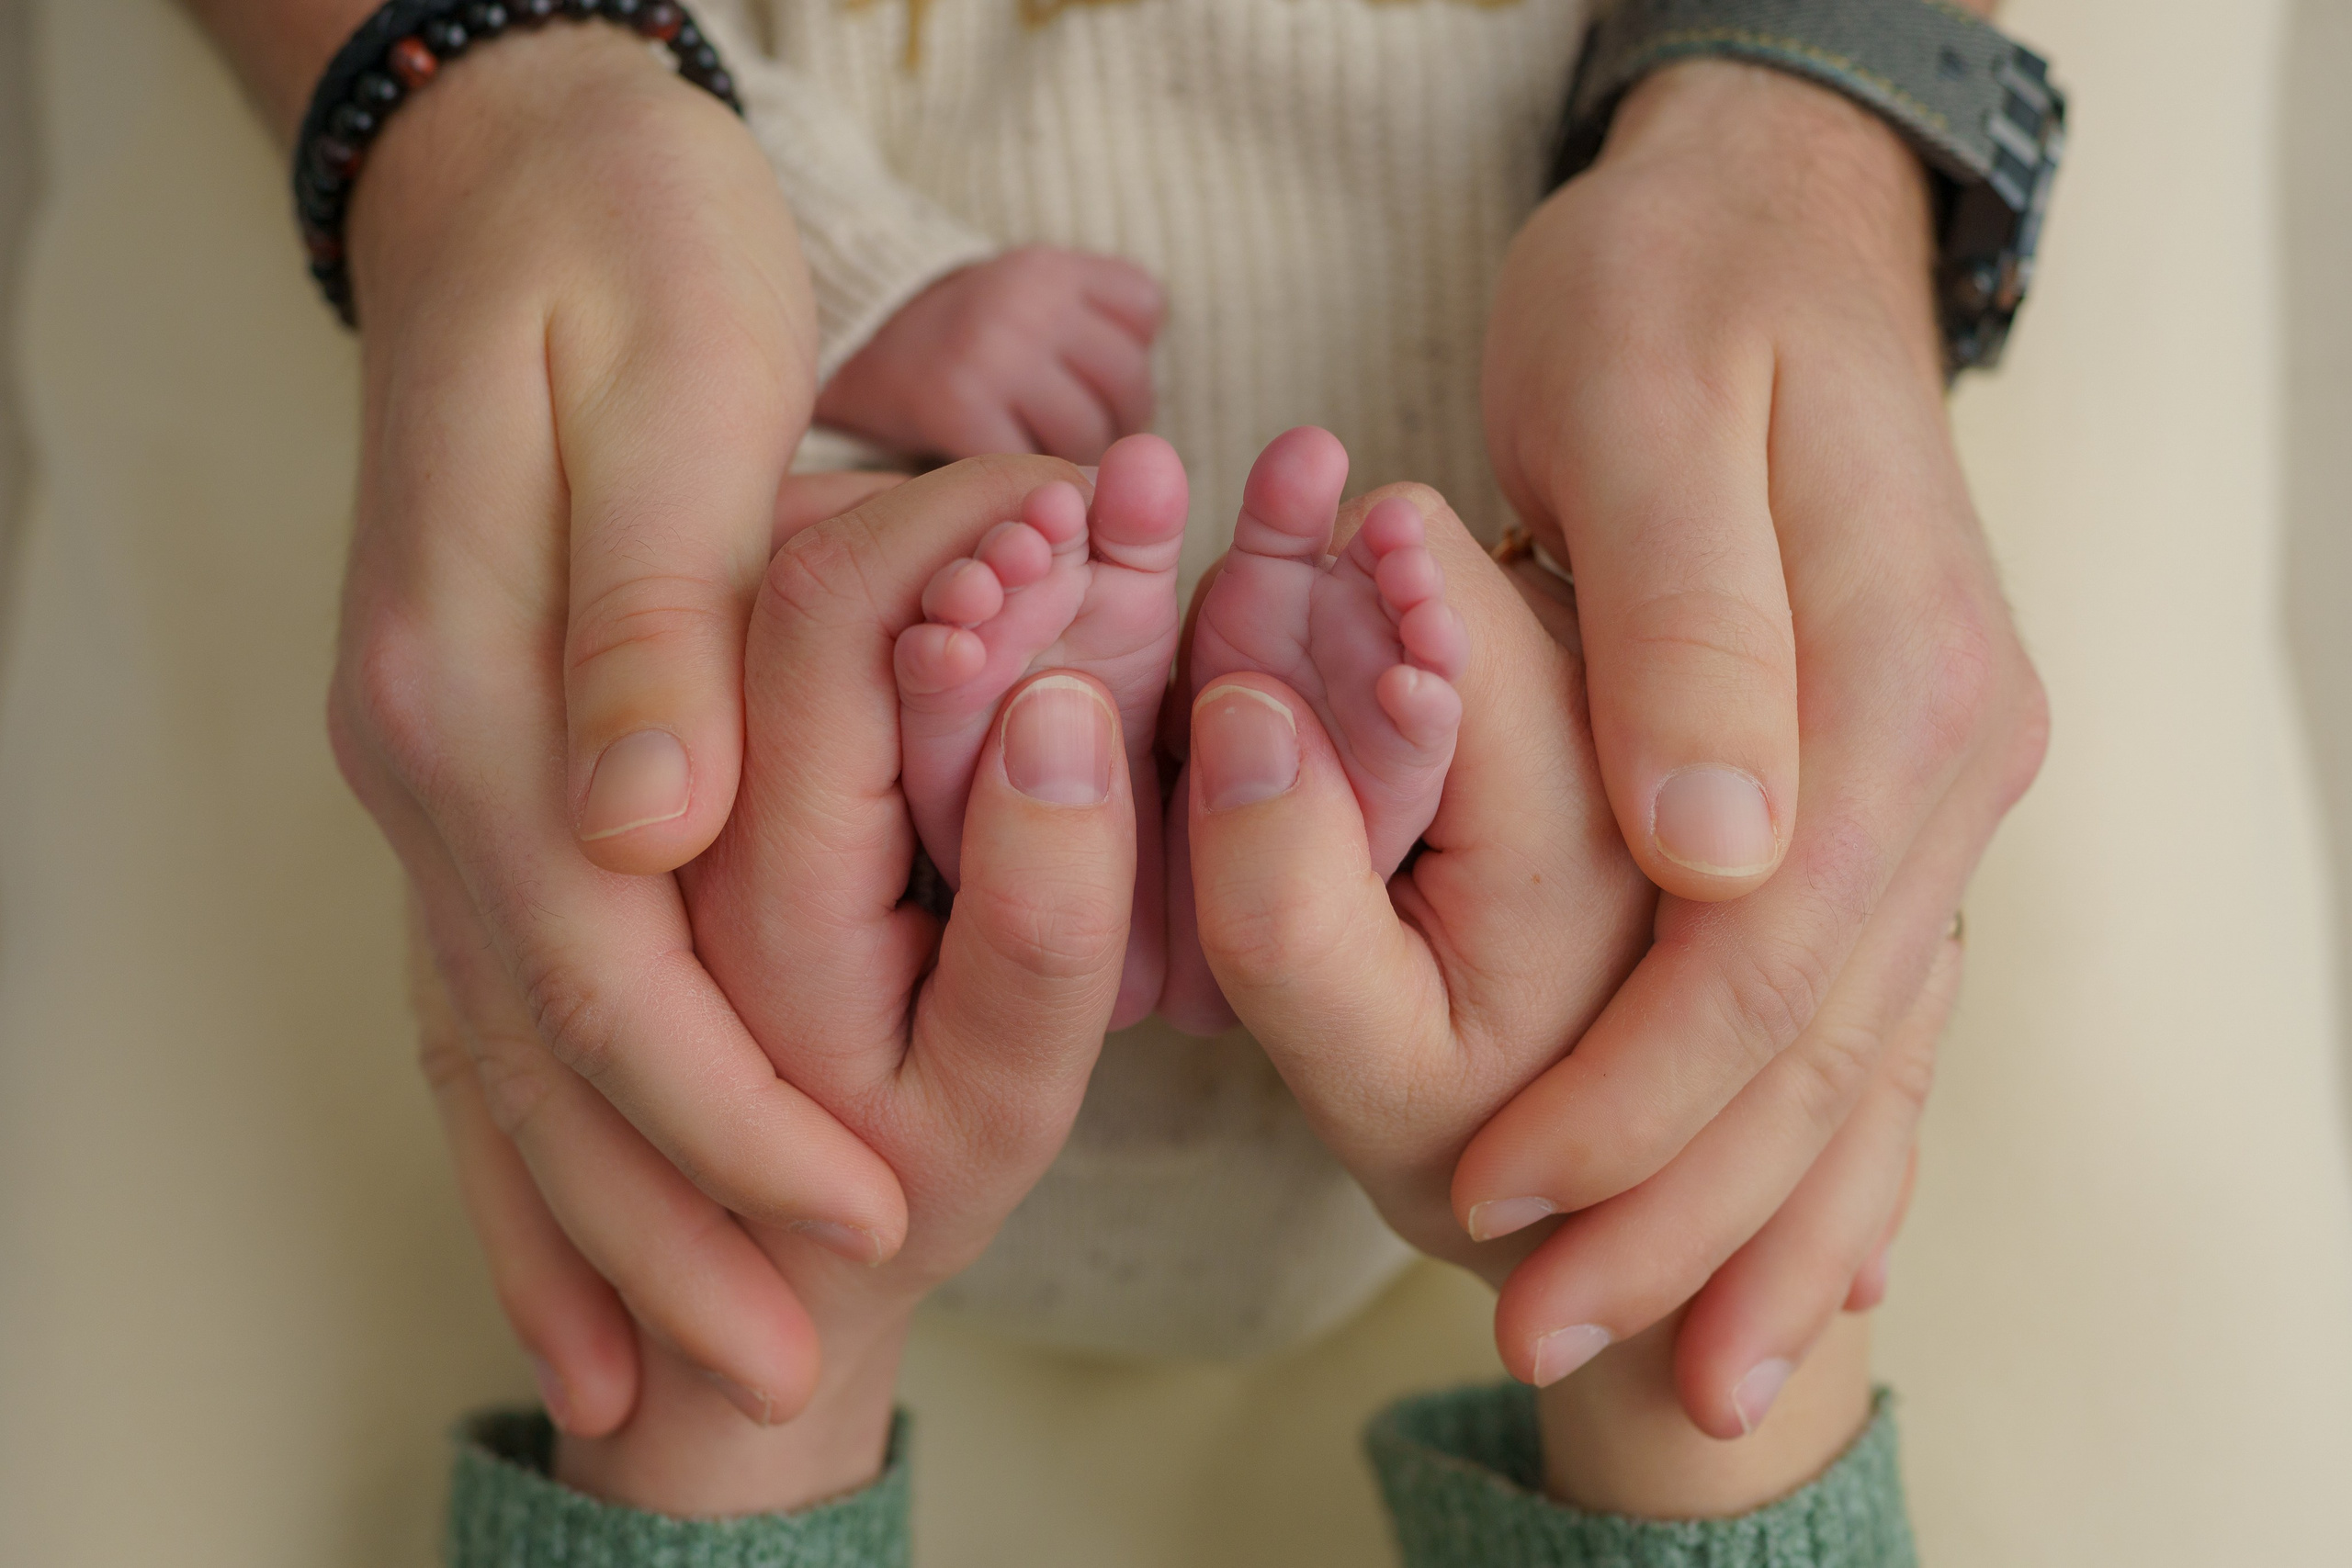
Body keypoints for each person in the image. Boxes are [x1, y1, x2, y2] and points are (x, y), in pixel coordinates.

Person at [170, 0, 2043, 1535]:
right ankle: (1644, 1317)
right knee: (1686, 1177)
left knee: (1683, 1026)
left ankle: (756, 1351)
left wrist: (1802, 133)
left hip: (1436, 580)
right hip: (880, 751)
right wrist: (512, 125)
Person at [429, 451, 1929, 1562]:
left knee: (728, 1274)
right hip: (1555, 802)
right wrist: (1657, 1311)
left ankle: (976, 845)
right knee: (1687, 1228)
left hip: (814, 870)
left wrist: (746, 1351)